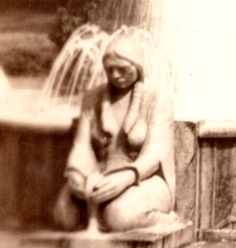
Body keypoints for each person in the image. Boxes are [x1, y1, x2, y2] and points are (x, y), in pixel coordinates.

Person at [52, 28, 176, 234]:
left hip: (145, 179)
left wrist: (127, 177)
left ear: (138, 67)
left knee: (118, 215)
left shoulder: (157, 98)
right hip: (101, 176)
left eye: (123, 69)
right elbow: (82, 145)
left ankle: (166, 221)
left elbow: (156, 154)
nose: (116, 75)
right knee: (64, 214)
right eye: (110, 69)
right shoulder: (93, 97)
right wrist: (77, 173)